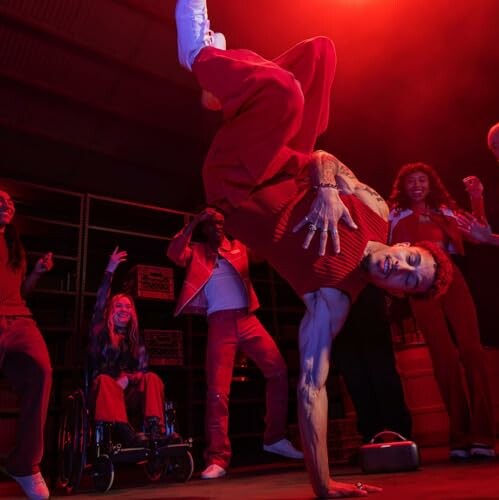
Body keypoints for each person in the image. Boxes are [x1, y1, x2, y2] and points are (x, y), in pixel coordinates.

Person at [174, 1, 453, 496]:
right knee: (320, 54)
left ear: (396, 293)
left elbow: (311, 388)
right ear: (407, 244)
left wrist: (323, 486)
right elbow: (326, 158)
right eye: (413, 259)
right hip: (284, 163)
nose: (401, 266)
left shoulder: (334, 297)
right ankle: (224, 97)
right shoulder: (379, 211)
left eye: (407, 279)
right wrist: (325, 187)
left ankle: (199, 54)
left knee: (283, 92)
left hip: (238, 184)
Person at [167, 207, 303, 480]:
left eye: (220, 223)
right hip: (220, 324)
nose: (216, 227)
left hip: (247, 319)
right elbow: (173, 253)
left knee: (278, 370)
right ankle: (217, 457)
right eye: (210, 224)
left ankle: (274, 437)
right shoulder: (197, 251)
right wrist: (195, 221)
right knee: (218, 392)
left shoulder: (240, 247)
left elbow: (265, 249)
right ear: (204, 230)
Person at [387, 162, 496, 460]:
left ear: (430, 184)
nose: (417, 185)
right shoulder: (393, 215)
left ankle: (483, 435)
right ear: (403, 188)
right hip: (418, 285)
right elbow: (383, 252)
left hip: (451, 277)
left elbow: (479, 232)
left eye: (422, 179)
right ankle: (459, 437)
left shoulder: (446, 210)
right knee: (443, 357)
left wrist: (477, 196)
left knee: (472, 351)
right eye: (411, 181)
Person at [0, 188, 53, 500]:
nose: (6, 203)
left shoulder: (14, 246)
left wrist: (37, 272)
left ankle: (24, 464)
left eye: (9, 201)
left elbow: (23, 290)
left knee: (41, 370)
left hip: (18, 317)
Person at [88, 247, 166, 446]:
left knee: (152, 378)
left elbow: (142, 370)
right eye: (119, 306)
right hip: (104, 391)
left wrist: (128, 378)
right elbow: (99, 303)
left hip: (128, 392)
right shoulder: (101, 332)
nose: (124, 310)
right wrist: (110, 270)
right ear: (110, 311)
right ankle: (122, 431)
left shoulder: (134, 339)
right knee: (105, 380)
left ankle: (154, 428)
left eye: (128, 306)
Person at [332, 285, 412, 445]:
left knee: (378, 365)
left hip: (360, 288)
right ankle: (373, 435)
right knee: (354, 370)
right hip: (336, 292)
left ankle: (397, 433)